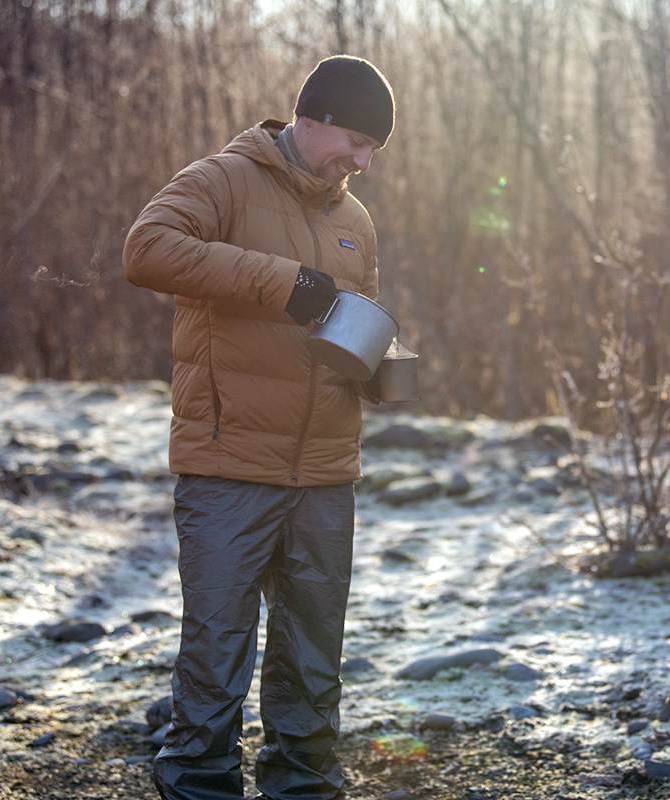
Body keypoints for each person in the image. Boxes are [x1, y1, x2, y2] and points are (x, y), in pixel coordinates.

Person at [122, 55, 395, 800]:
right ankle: (200, 787)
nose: (364, 163)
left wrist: (381, 364)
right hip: (228, 464)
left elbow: (358, 315)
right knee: (215, 654)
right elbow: (145, 251)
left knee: (314, 660)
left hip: (326, 472)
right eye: (359, 142)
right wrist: (282, 283)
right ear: (316, 119)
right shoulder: (221, 179)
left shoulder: (355, 220)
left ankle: (303, 787)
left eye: (374, 151)